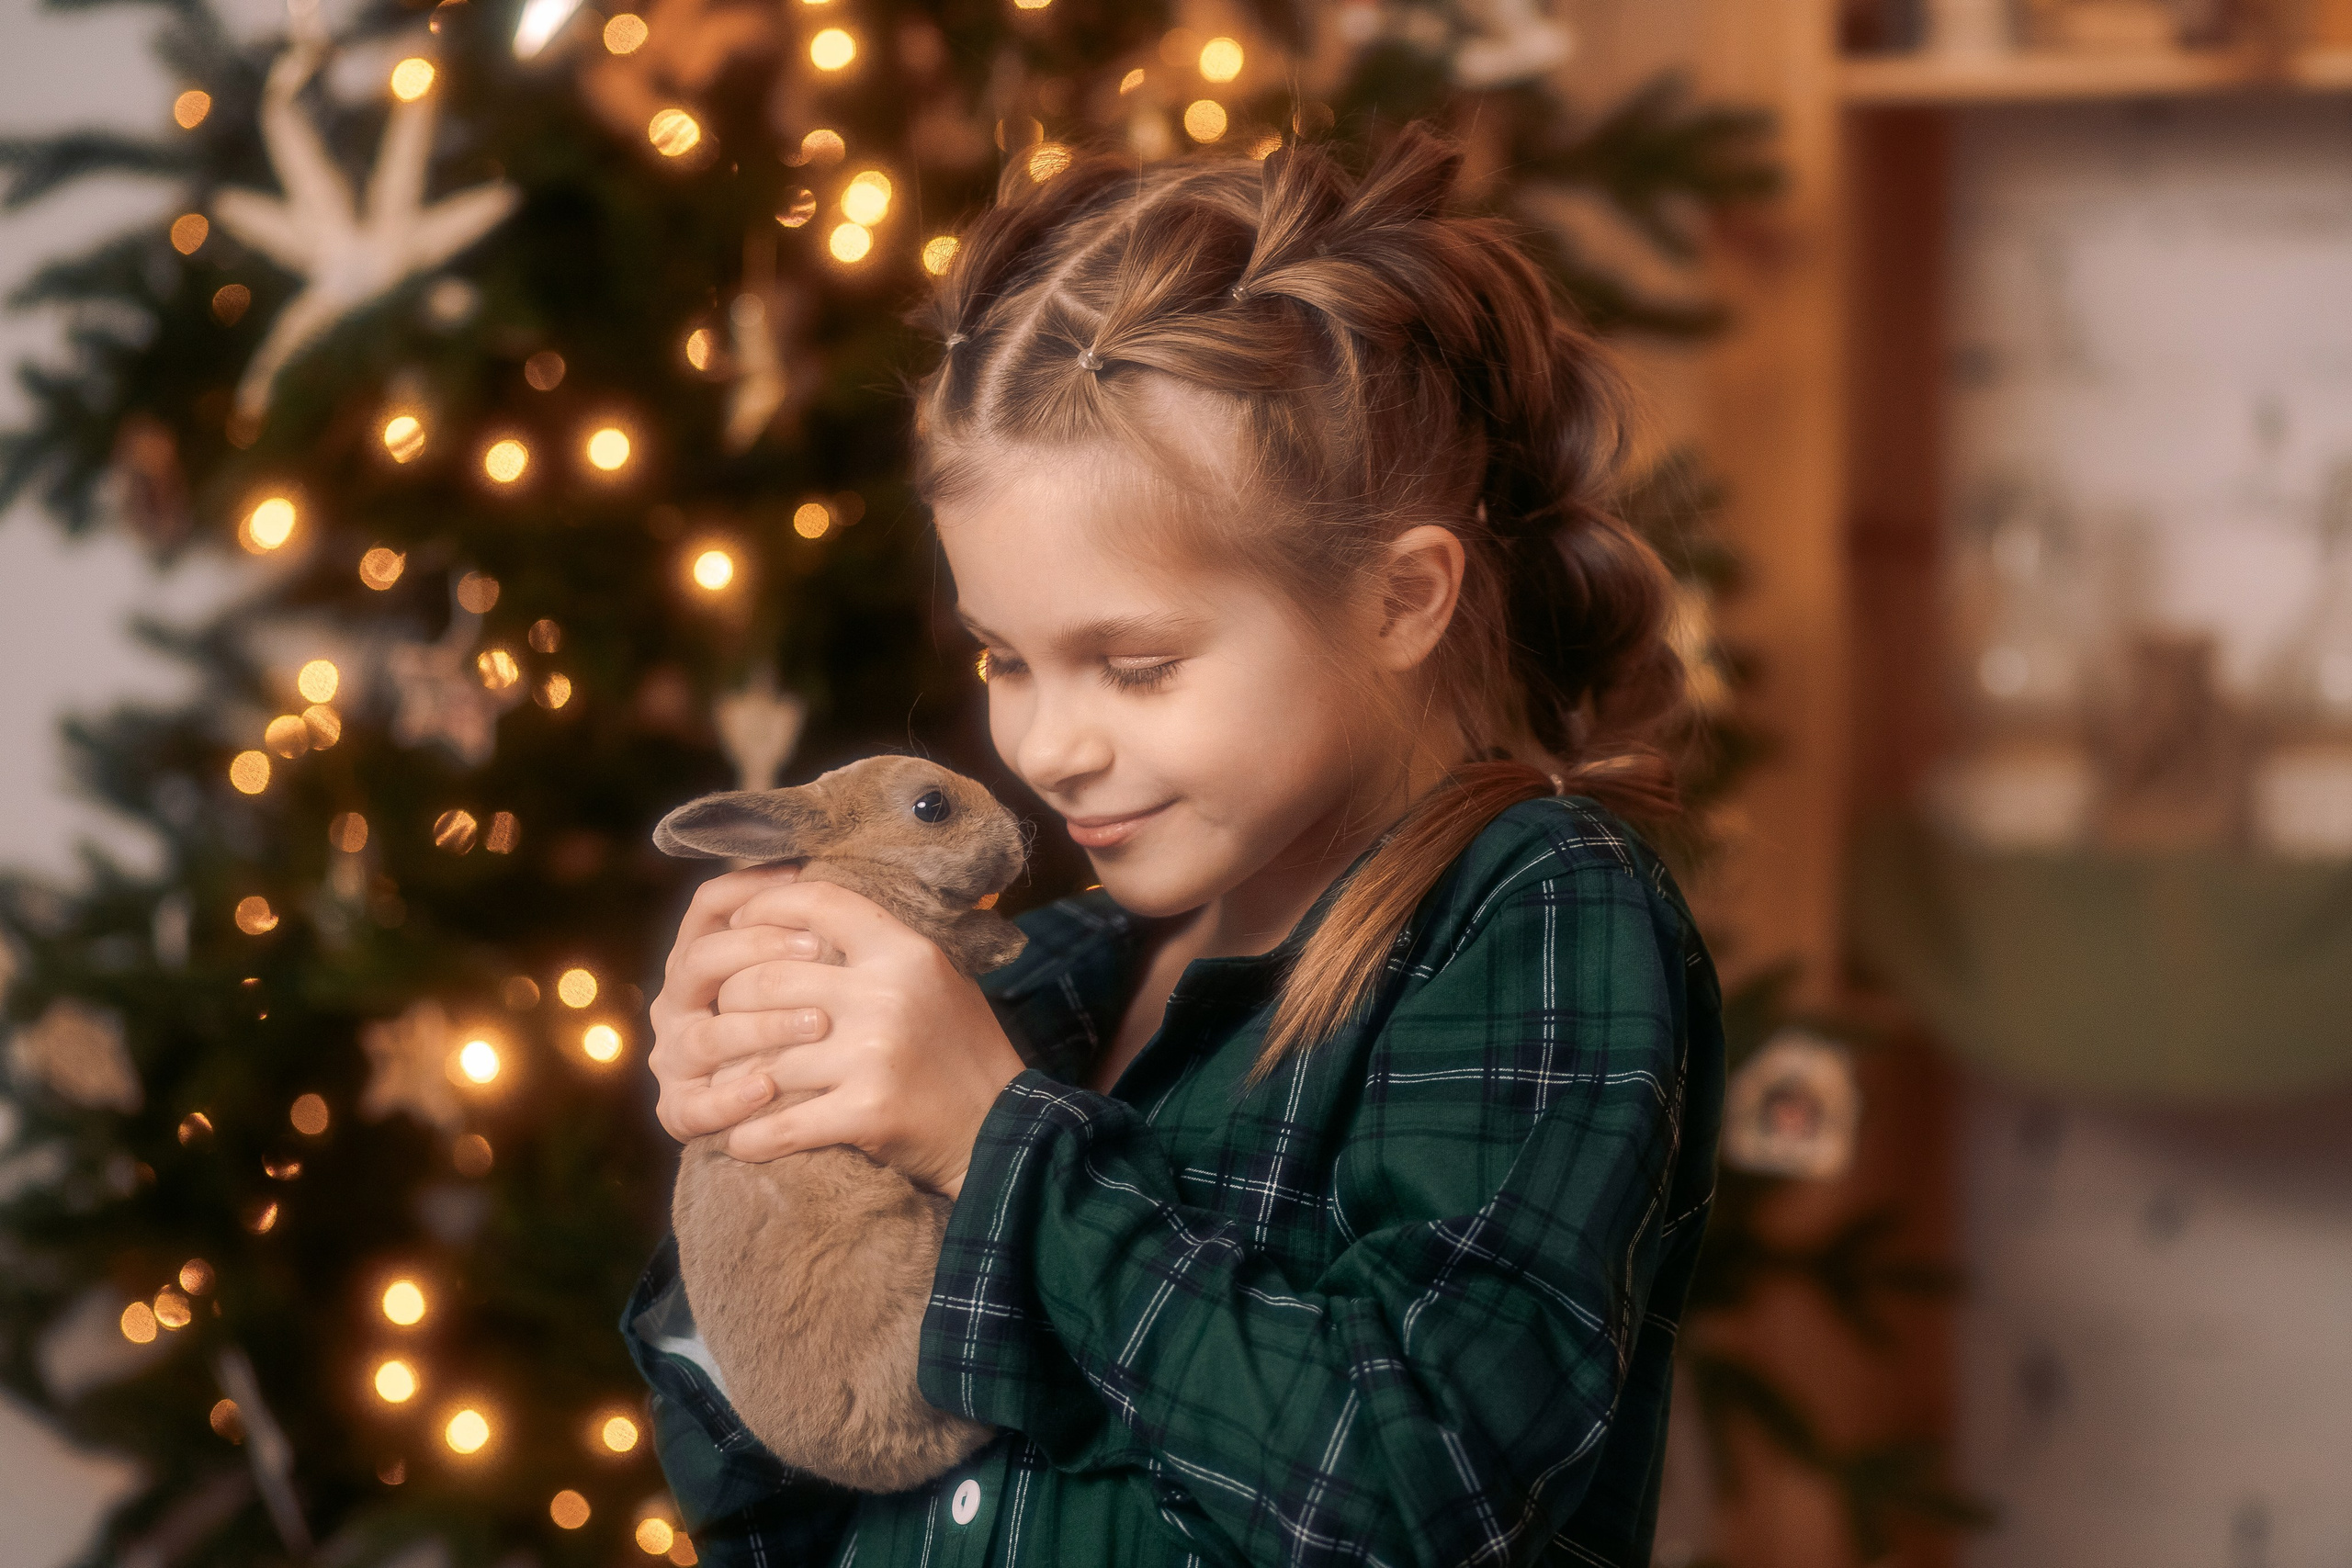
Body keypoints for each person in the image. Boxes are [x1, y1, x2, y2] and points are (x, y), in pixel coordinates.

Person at [623, 124, 1725, 1568]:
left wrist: (995, 1143)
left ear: (1399, 599)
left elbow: (1421, 1496)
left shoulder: (1535, 916)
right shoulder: (1049, 974)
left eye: (1134, 667)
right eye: (1005, 659)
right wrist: (756, 1141)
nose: (1043, 748)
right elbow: (765, 1497)